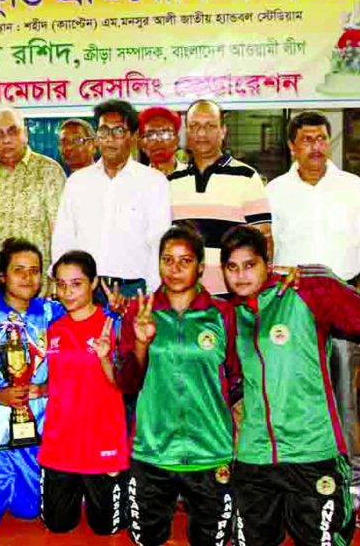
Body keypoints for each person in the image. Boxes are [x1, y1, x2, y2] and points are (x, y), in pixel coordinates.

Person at [221, 225, 360, 546]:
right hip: (255, 457)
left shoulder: (301, 294)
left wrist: (312, 274)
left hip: (312, 450)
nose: (240, 275)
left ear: (268, 262)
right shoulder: (230, 316)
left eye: (250, 265)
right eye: (232, 267)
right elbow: (230, 376)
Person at [265, 110, 360, 519]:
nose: (316, 146)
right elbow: (270, 251)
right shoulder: (275, 190)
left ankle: (352, 488)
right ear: (292, 146)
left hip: (343, 301)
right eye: (308, 139)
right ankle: (294, 485)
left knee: (343, 400)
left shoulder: (351, 187)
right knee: (291, 398)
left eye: (322, 138)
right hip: (292, 309)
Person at [115, 226, 240, 546]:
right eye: (167, 260)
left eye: (185, 261)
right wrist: (142, 344)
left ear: (200, 266)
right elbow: (127, 384)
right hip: (153, 452)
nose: (175, 268)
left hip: (211, 451)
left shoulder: (222, 313)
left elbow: (237, 377)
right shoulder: (139, 312)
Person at [0, 238, 64, 526]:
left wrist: (48, 389)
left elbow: (87, 336)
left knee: (29, 512)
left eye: (34, 270)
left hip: (35, 428)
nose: (27, 277)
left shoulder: (53, 313)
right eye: (18, 269)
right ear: (2, 276)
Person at [38, 250, 129, 536]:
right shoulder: (53, 329)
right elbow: (60, 379)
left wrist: (104, 357)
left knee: (106, 530)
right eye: (61, 284)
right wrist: (37, 388)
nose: (67, 292)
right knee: (57, 526)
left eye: (76, 284)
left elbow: (125, 383)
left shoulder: (113, 324)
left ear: (93, 283)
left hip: (102, 442)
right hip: (60, 444)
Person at [52, 99, 171, 301]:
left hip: (134, 291)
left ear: (133, 137)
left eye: (118, 131)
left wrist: (152, 294)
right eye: (104, 131)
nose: (110, 139)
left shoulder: (153, 182)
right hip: (85, 292)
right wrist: (64, 287)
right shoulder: (78, 182)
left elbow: (158, 243)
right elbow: (63, 239)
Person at [168, 99, 271, 295]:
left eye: (210, 126)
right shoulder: (172, 181)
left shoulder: (246, 177)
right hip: (186, 298)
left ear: (223, 131)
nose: (201, 133)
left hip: (233, 299)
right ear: (186, 133)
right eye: (194, 126)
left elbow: (263, 241)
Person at [0, 107, 66, 294]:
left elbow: (61, 233)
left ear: (25, 134)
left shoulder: (49, 171)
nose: (5, 140)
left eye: (13, 131)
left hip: (38, 287)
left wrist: (57, 285)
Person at [138, 106, 184, 176]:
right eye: (150, 135)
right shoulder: (136, 182)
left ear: (176, 140)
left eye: (165, 134)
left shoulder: (194, 178)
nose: (158, 140)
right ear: (141, 144)